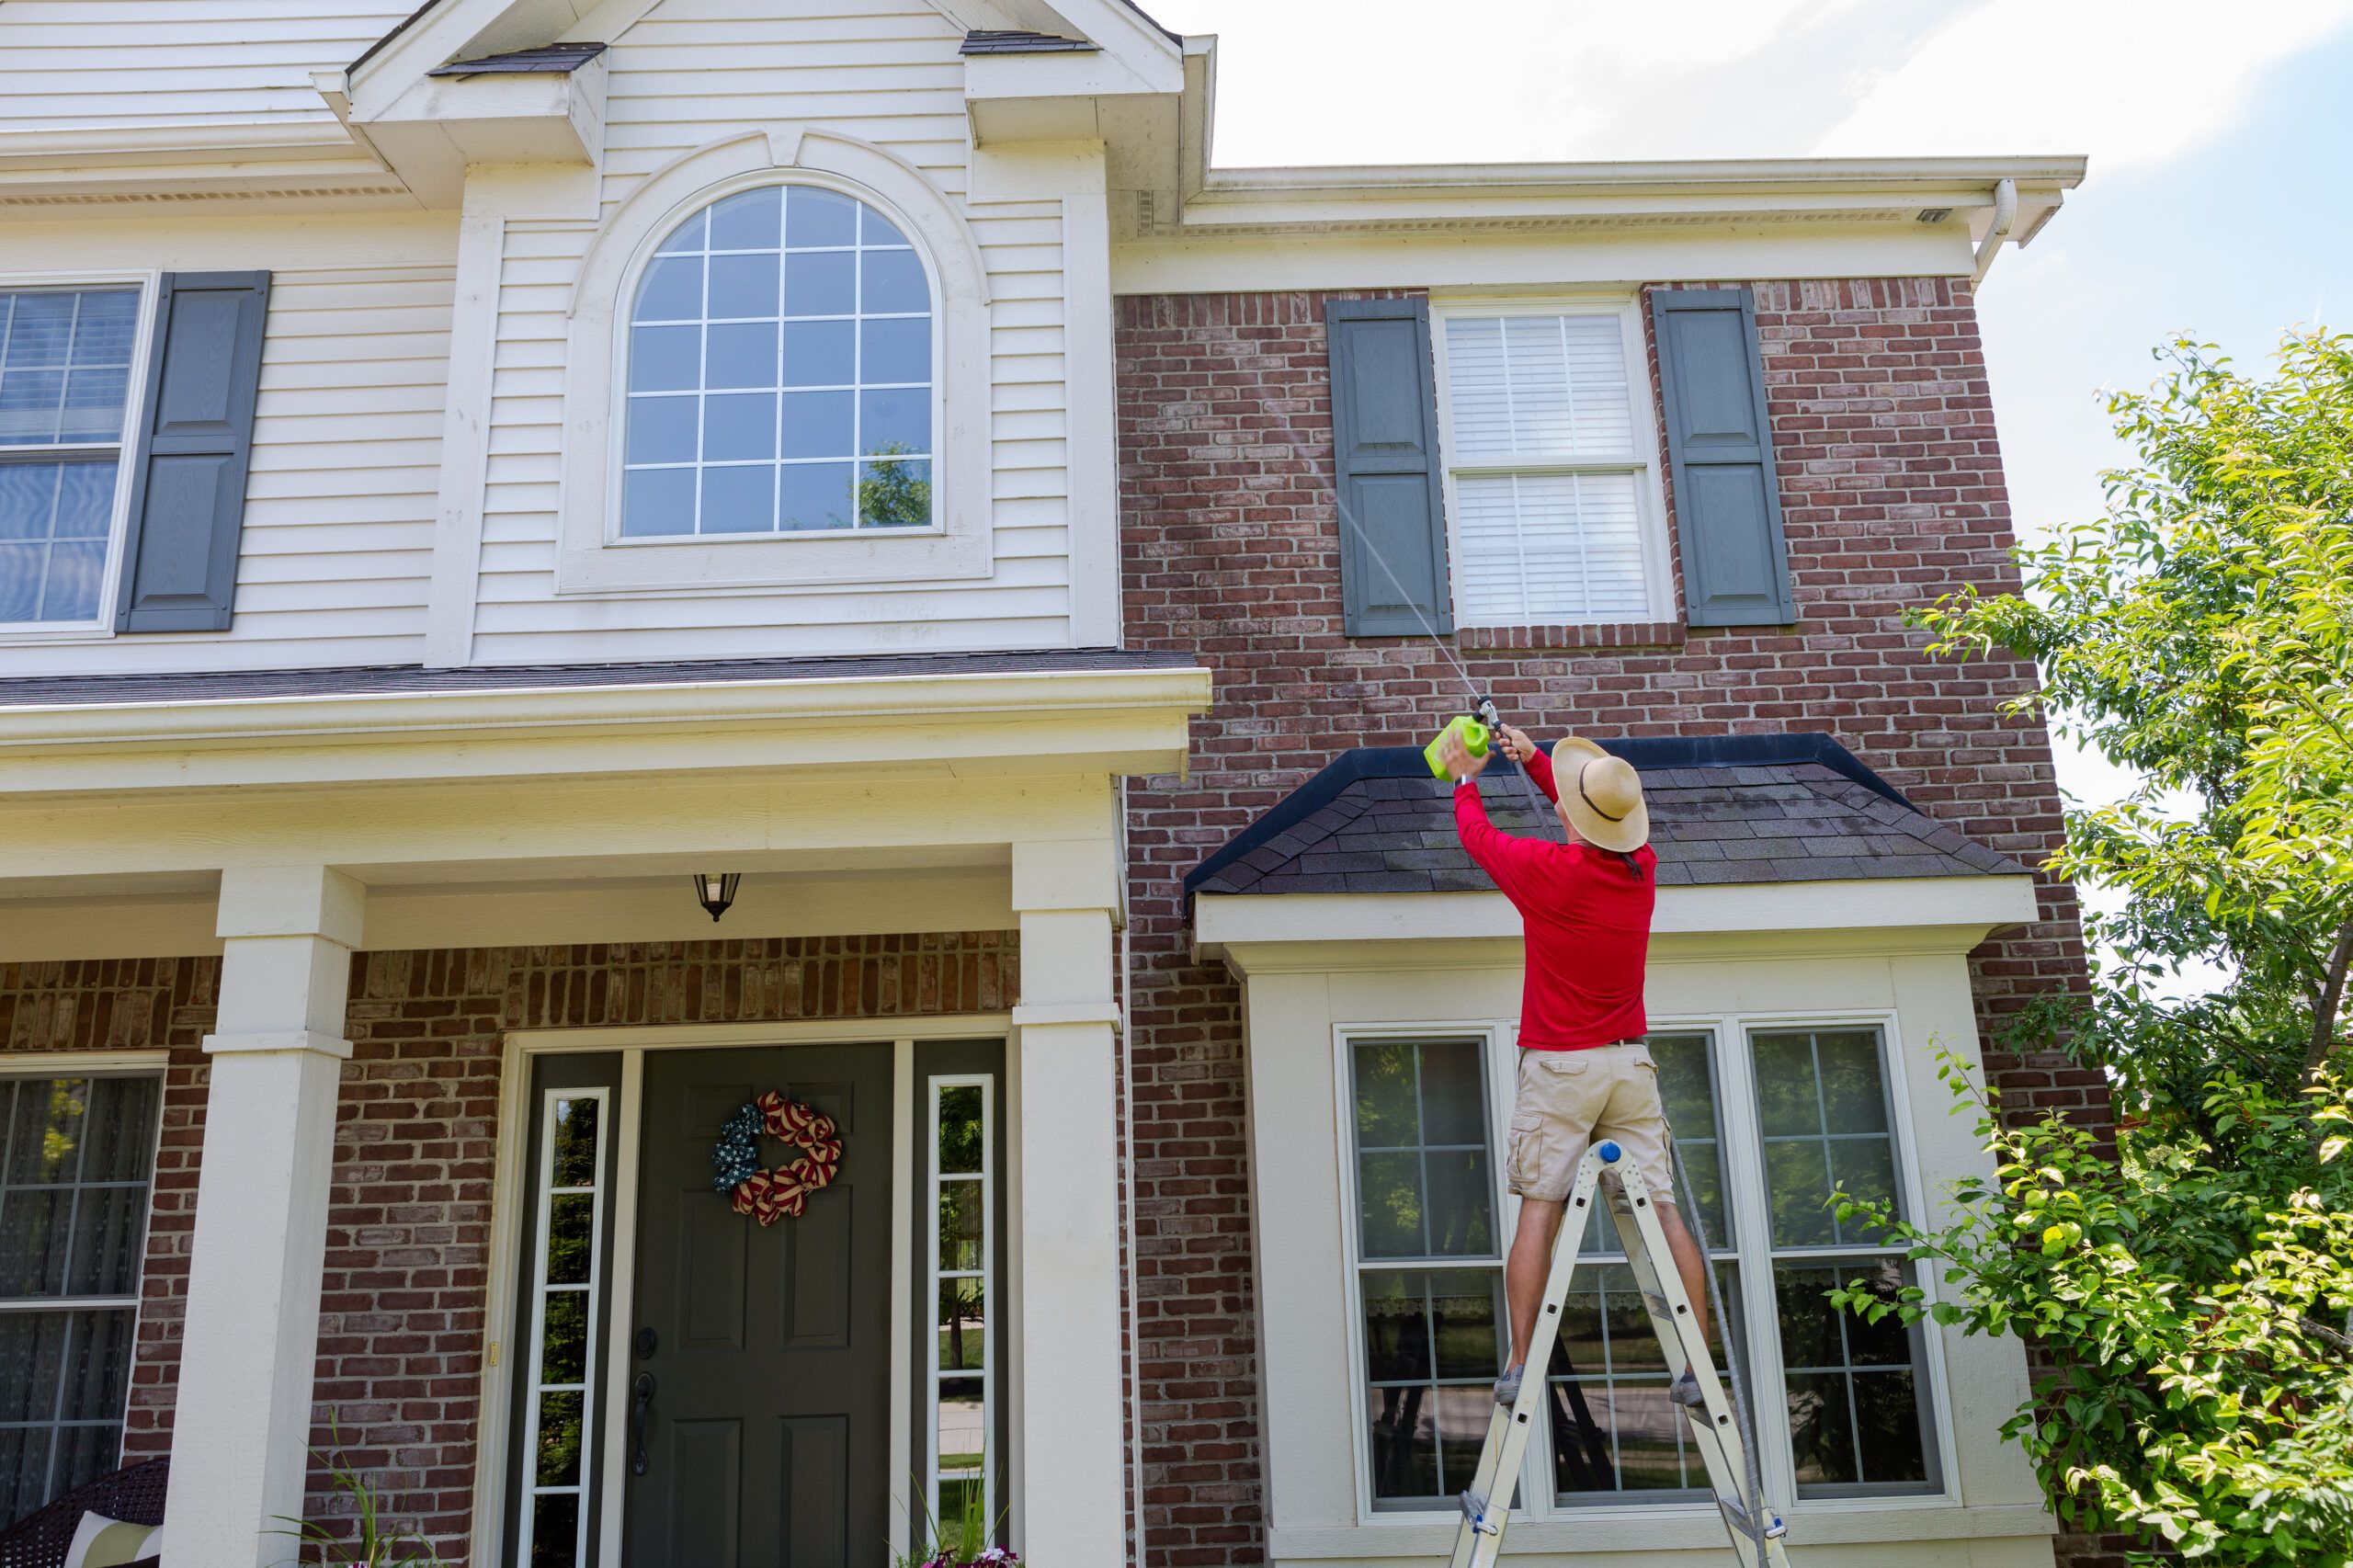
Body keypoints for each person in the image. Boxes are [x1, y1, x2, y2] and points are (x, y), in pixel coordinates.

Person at [1438, 722, 1713, 1415]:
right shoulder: (1640, 869)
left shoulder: (1548, 874)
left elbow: (1479, 839)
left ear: (1570, 816)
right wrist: (1531, 758)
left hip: (1561, 1072)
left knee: (1540, 1209)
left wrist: (1467, 777)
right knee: (1666, 1211)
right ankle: (1697, 1362)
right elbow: (1587, 814)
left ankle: (1522, 1361)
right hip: (1629, 1068)